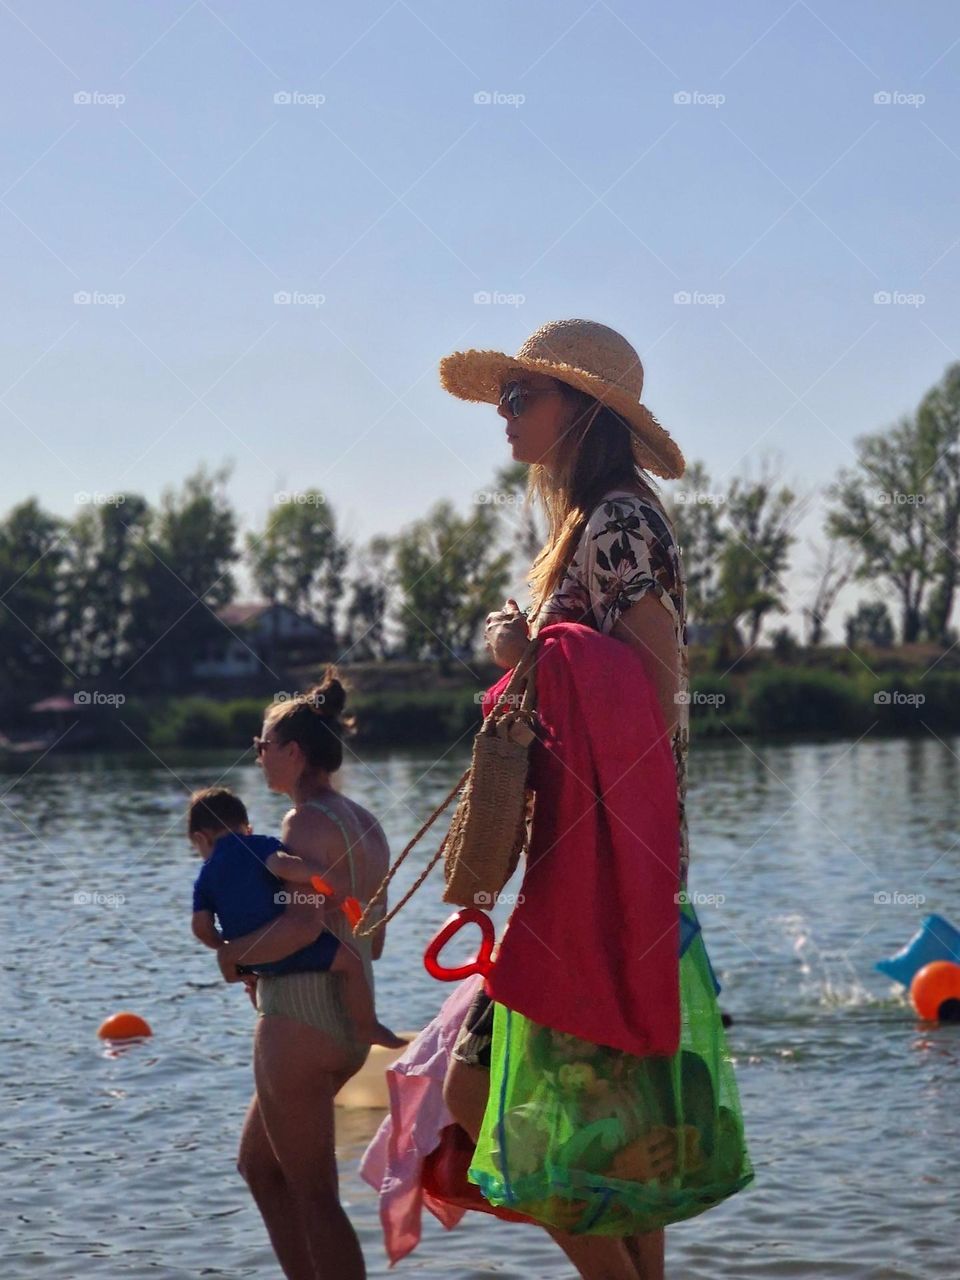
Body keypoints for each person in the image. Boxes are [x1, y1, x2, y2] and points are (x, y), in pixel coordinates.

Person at [437, 318, 690, 1280]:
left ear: (580, 410)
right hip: (620, 854)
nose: (504, 416)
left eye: (520, 399)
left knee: (471, 1090)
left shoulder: (619, 520)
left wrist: (528, 653)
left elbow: (657, 685)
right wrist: (537, 648)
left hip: (607, 862)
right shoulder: (600, 521)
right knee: (618, 1120)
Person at [214, 668, 394, 1280]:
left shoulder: (301, 825)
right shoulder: (366, 822)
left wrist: (234, 953)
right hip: (347, 1017)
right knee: (260, 1168)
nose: (258, 756)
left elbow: (301, 929)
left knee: (316, 1197)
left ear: (293, 752)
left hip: (300, 1020)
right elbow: (375, 936)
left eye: (262, 745)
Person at [188, 784, 404, 1050]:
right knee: (351, 960)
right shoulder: (260, 845)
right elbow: (285, 866)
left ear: (201, 839)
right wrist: (329, 878)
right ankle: (367, 1025)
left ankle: (258, 997)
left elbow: (201, 926)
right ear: (248, 827)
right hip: (289, 947)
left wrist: (223, 946)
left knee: (251, 976)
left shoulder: (204, 877)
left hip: (251, 958)